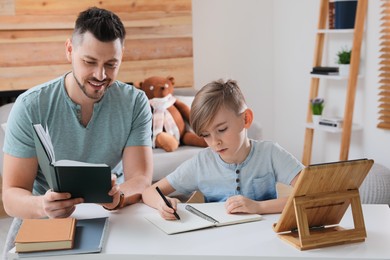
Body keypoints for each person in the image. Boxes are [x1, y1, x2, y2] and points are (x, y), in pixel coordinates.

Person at [2, 7, 153, 256]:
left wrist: (118, 197)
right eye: (89, 62)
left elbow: (140, 178)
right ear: (70, 49)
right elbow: (11, 196)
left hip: (109, 216)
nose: (100, 75)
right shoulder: (31, 105)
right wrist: (43, 205)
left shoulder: (135, 103)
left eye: (111, 64)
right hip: (43, 218)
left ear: (122, 56)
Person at [142, 79, 303, 220]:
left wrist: (259, 207)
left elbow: (312, 192)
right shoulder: (201, 163)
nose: (215, 142)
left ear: (246, 119)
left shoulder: (270, 153)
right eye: (206, 135)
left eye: (222, 129)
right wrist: (162, 203)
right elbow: (149, 192)